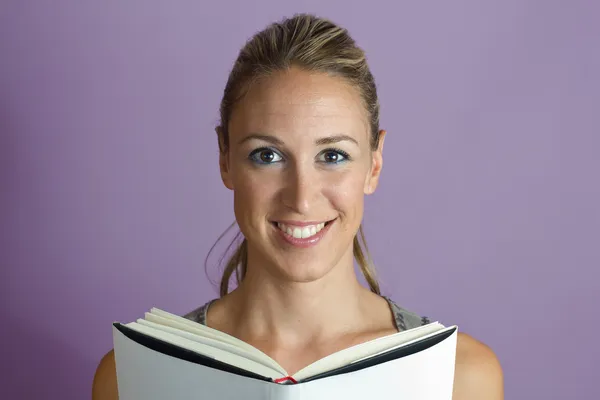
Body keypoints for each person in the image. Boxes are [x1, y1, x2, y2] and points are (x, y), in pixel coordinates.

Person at [93, 13, 503, 399]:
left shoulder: (461, 378)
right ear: (224, 159)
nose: (301, 197)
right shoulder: (132, 376)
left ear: (374, 164)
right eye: (267, 156)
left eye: (333, 156)